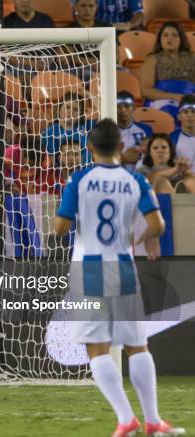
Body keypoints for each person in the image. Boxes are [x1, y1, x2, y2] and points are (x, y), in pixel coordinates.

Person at [54, 118, 185, 437]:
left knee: (96, 348)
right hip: (124, 267)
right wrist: (142, 239)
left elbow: (60, 227)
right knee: (137, 345)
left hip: (89, 268)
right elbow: (157, 225)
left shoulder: (79, 179)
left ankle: (127, 419)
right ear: (122, 146)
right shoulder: (134, 179)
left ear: (89, 147)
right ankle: (154, 420)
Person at [141, 22, 195, 120]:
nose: (169, 38)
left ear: (181, 39)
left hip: (190, 100)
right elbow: (146, 90)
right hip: (162, 100)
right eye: (165, 35)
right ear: (160, 39)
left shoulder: (193, 58)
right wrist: (173, 96)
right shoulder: (152, 59)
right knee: (169, 110)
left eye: (174, 35)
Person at [117, 91, 152, 169]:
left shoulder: (145, 130)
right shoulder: (107, 131)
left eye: (126, 106)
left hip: (139, 173)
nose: (123, 110)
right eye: (118, 106)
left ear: (133, 107)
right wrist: (123, 158)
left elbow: (152, 155)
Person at [170, 95, 195, 172]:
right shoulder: (172, 138)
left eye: (193, 112)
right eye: (185, 112)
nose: (190, 115)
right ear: (179, 116)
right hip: (183, 180)